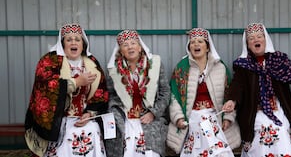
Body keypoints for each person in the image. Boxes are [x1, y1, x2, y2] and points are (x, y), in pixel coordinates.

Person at [222, 22, 291, 157]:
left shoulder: (278, 60)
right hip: (255, 111)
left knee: (282, 129)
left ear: (266, 40)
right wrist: (232, 100)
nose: (256, 40)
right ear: (247, 44)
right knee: (264, 129)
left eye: (260, 36)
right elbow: (237, 85)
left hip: (278, 108)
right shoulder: (242, 65)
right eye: (251, 38)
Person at [24, 23, 109, 157]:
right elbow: (46, 87)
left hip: (83, 118)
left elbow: (101, 92)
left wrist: (90, 114)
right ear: (62, 43)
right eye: (69, 40)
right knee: (67, 135)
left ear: (83, 44)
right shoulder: (49, 60)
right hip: (58, 119)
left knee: (92, 129)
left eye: (77, 39)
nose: (73, 43)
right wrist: (76, 82)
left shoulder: (91, 62)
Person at [167, 28, 241, 157]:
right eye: (193, 42)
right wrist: (178, 118)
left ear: (207, 48)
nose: (196, 44)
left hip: (215, 118)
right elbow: (173, 96)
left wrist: (228, 118)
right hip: (192, 120)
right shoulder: (182, 68)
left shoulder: (220, 67)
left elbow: (230, 95)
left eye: (200, 41)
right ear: (189, 48)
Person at [104, 29, 170, 157]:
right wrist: (117, 112)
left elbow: (165, 91)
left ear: (140, 47)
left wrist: (153, 113)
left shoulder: (154, 64)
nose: (130, 47)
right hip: (125, 118)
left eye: (133, 43)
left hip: (149, 118)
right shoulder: (113, 70)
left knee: (149, 152)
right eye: (125, 45)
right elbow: (111, 94)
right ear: (121, 51)